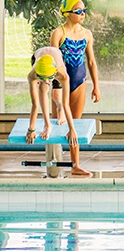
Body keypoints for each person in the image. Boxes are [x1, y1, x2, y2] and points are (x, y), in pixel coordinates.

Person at [27, 47, 91, 177]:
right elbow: (35, 104)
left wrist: (72, 129)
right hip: (39, 58)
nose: (46, 81)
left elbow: (68, 104)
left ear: (54, 73)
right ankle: (47, 124)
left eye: (49, 79)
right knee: (43, 90)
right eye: (42, 78)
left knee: (59, 99)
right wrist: (31, 129)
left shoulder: (62, 74)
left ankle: (59, 108)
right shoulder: (32, 74)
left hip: (57, 59)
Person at [49, 0, 100, 127]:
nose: (82, 13)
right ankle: (55, 149)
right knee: (57, 124)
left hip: (79, 82)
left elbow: (91, 62)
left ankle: (74, 149)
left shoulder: (87, 34)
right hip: (60, 83)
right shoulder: (58, 33)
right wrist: (53, 84)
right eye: (78, 11)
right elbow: (53, 63)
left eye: (84, 10)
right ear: (67, 14)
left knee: (75, 125)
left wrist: (96, 86)